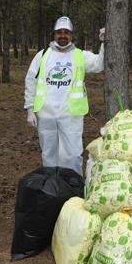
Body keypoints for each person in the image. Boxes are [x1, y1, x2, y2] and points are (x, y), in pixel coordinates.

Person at [23, 16, 104, 175]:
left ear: (71, 35)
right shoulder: (43, 55)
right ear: (54, 34)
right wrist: (30, 109)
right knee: (49, 155)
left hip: (70, 114)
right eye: (59, 32)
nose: (62, 35)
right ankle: (52, 189)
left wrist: (105, 43)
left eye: (66, 32)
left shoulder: (80, 55)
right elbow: (30, 81)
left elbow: (99, 64)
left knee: (72, 155)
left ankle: (72, 188)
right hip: (45, 114)